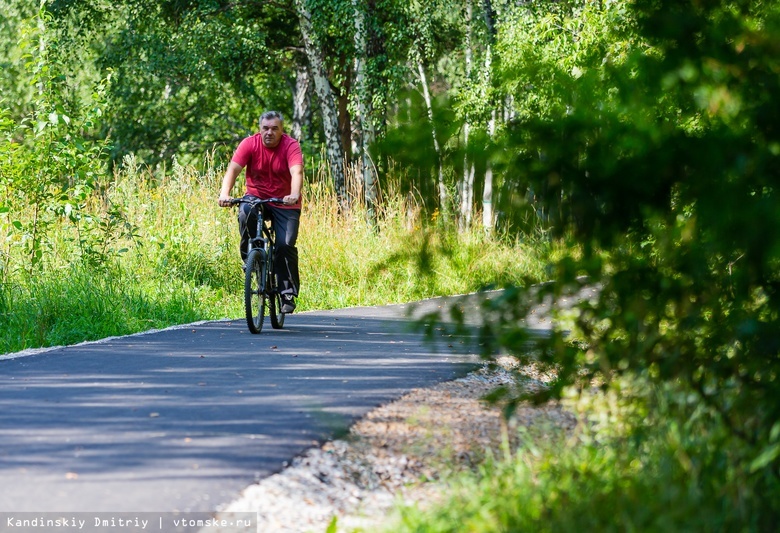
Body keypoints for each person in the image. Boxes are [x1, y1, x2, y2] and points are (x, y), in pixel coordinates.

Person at [218, 111, 304, 314]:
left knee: (284, 244)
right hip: (256, 198)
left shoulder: (291, 146)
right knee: (245, 210)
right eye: (265, 128)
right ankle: (250, 259)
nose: (269, 133)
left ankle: (287, 293)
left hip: (285, 202)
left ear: (282, 130)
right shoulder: (249, 144)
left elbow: (297, 172)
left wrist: (294, 193)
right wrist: (224, 194)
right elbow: (233, 169)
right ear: (260, 129)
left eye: (275, 128)